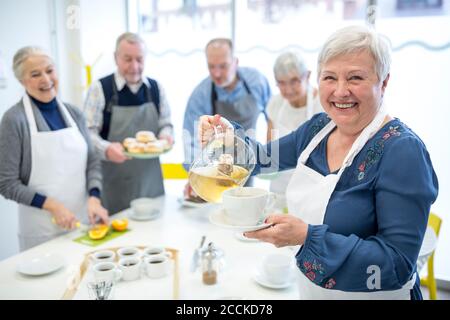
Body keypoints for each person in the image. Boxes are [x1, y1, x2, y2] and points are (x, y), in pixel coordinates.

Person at [198, 26, 438, 299]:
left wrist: (306, 238)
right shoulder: (319, 129)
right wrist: (229, 136)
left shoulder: (402, 151)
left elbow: (397, 265)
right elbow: (263, 159)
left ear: (383, 82)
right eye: (330, 77)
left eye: (355, 78)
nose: (340, 91)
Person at [0, 47, 109, 251]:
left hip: (83, 222)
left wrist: (94, 196)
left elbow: (92, 161)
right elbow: (6, 184)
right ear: (22, 80)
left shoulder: (74, 113)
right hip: (41, 230)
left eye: (49, 70)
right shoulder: (14, 120)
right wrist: (53, 206)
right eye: (35, 74)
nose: (46, 79)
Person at [84, 32, 173, 214]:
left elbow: (166, 124)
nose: (134, 66)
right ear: (116, 58)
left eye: (139, 59)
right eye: (127, 59)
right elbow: (87, 133)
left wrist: (166, 135)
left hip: (151, 182)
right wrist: (106, 148)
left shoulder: (156, 88)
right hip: (114, 183)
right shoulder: (100, 89)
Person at [183, 38, 271, 198]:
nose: (216, 73)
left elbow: (273, 116)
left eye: (223, 66)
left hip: (249, 160)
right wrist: (194, 176)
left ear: (235, 62)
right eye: (211, 67)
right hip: (214, 172)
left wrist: (270, 154)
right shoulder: (201, 94)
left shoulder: (256, 82)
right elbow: (190, 138)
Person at [266, 52, 322, 207]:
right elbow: (270, 149)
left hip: (311, 190)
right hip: (280, 188)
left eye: (294, 81)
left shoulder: (323, 104)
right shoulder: (275, 104)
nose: (288, 89)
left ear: (308, 76)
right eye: (281, 83)